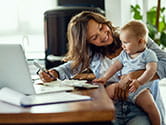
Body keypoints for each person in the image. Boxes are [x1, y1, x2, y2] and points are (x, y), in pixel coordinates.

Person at [39, 11, 166, 125]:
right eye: (94, 37)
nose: (103, 35)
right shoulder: (92, 53)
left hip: (143, 110)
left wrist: (134, 75)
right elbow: (69, 68)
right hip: (113, 110)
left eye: (101, 27)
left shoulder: (133, 36)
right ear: (88, 43)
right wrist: (54, 73)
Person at [93, 20, 160, 125]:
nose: (122, 46)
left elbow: (151, 71)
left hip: (139, 89)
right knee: (105, 93)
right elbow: (115, 66)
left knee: (151, 107)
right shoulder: (125, 54)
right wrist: (105, 78)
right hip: (121, 85)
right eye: (122, 42)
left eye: (126, 42)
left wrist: (139, 82)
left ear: (140, 42)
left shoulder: (148, 54)